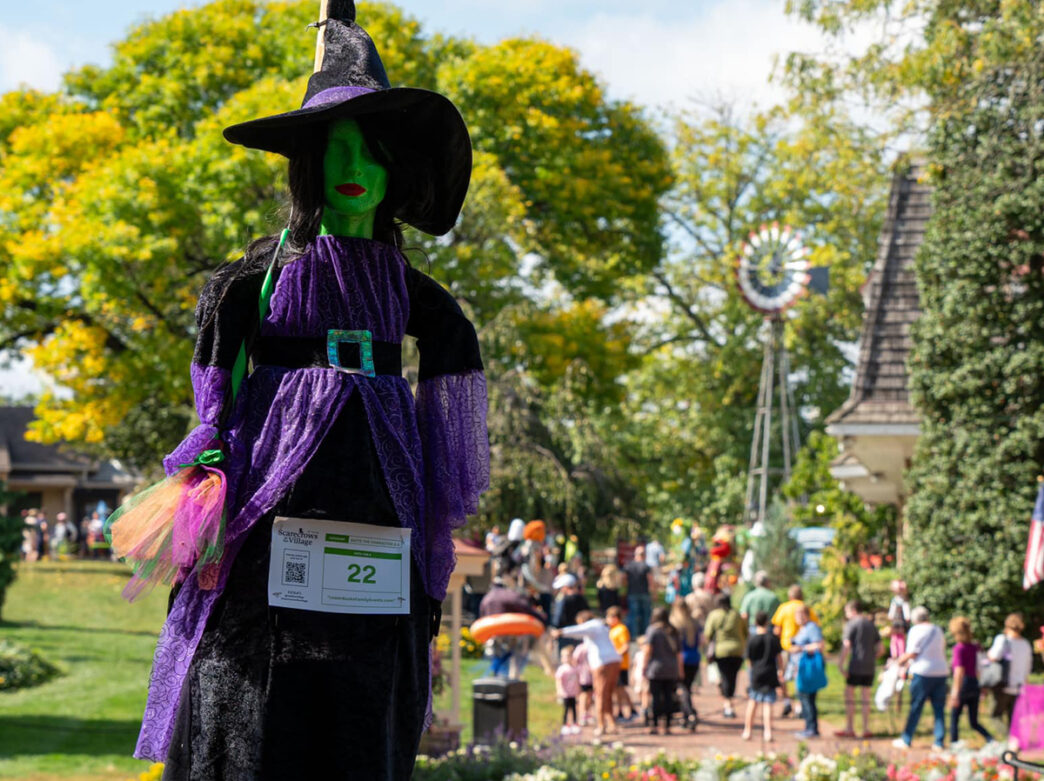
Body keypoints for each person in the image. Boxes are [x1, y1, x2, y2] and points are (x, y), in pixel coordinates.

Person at [114, 6, 489, 777]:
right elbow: (218, 368)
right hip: (270, 490)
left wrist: (441, 480)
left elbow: (454, 350)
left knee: (366, 671)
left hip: (380, 498)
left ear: (395, 173)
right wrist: (210, 454)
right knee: (246, 665)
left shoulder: (417, 295)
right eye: (336, 149)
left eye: (370, 151)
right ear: (309, 166)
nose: (352, 165)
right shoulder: (258, 280)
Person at [554, 611, 623, 737]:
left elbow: (578, 630)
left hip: (602, 662)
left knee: (600, 694)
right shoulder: (601, 627)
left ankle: (601, 725)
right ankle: (611, 723)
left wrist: (561, 631)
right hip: (614, 659)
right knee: (607, 693)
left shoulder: (593, 625)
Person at [893, 606, 949, 751]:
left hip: (922, 673)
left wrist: (898, 662)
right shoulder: (938, 630)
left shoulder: (915, 630)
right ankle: (939, 741)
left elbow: (912, 652)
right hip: (941, 671)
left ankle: (907, 738)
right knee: (939, 709)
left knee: (916, 706)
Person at [772, 584, 819, 717]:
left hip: (786, 647)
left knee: (782, 675)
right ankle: (799, 705)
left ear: (790, 596)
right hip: (802, 649)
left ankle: (787, 701)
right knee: (799, 677)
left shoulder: (784, 608)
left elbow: (777, 629)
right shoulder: (806, 608)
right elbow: (815, 625)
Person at [836, 599, 881, 738]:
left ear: (853, 610)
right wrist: (872, 658)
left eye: (847, 612)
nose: (847, 615)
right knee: (865, 697)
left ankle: (850, 728)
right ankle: (866, 728)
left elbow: (847, 645)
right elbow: (881, 648)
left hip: (855, 665)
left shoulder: (851, 624)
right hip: (869, 666)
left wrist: (841, 664)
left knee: (850, 697)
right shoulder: (871, 624)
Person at [948, 615, 994, 747]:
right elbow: (979, 668)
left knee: (954, 717)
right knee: (973, 721)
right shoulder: (975, 647)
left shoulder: (959, 648)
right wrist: (982, 686)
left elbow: (959, 672)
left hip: (964, 683)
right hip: (974, 683)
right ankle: (990, 739)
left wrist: (955, 693)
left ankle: (954, 744)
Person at [703, 592, 747, 718]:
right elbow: (745, 632)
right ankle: (728, 701)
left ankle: (728, 705)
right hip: (737, 650)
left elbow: (707, 634)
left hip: (721, 651)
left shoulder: (714, 615)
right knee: (731, 678)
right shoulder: (737, 615)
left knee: (725, 677)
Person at [987, 612, 1033, 727]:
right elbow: (1028, 668)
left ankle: (1007, 740)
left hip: (1003, 685)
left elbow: (993, 656)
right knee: (1013, 719)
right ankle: (1014, 741)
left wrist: (987, 653)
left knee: (995, 716)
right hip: (1018, 686)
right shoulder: (1025, 644)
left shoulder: (1003, 640)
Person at [743, 610, 783, 741]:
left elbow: (748, 660)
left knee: (753, 702)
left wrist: (751, 671)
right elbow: (779, 657)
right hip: (770, 672)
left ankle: (748, 730)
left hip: (756, 672)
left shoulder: (752, 639)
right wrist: (781, 671)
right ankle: (768, 732)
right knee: (768, 703)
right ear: (767, 622)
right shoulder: (773, 639)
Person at [644, 606, 682, 735]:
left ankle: (654, 724)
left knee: (655, 698)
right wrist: (680, 670)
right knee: (668, 697)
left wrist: (643, 667)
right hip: (671, 668)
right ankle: (667, 725)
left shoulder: (652, 631)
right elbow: (678, 653)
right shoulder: (673, 630)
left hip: (656, 669)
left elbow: (648, 650)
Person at [790, 605, 825, 739]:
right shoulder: (802, 629)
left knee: (808, 697)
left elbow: (819, 645)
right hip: (800, 668)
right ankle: (808, 727)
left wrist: (801, 648)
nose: (797, 618)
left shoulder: (812, 628)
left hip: (808, 668)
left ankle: (812, 728)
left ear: (806, 615)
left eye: (799, 615)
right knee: (803, 697)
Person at [670, 598, 701, 727]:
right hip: (694, 658)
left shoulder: (675, 624)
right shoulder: (694, 623)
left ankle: (689, 714)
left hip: (681, 659)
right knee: (686, 687)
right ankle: (685, 715)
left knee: (683, 689)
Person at [606, 606, 635, 721]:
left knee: (621, 689)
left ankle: (632, 710)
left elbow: (625, 646)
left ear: (615, 617)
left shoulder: (621, 629)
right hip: (614, 664)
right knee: (616, 690)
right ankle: (620, 712)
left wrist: (615, 656)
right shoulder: (612, 629)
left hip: (620, 664)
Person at [550, 574, 590, 654]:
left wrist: (554, 630)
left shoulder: (563, 600)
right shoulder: (582, 599)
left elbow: (558, 619)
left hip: (565, 634)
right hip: (580, 634)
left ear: (565, 587)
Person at [624, 545, 655, 638]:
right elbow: (650, 580)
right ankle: (645, 635)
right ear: (644, 555)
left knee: (633, 615)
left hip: (632, 593)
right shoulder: (646, 566)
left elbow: (624, 580)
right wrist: (654, 592)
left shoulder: (628, 566)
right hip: (644, 593)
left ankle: (633, 635)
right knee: (646, 615)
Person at [555, 646, 581, 736]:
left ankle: (574, 723)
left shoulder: (575, 669)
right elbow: (558, 681)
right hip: (565, 693)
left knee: (574, 709)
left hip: (573, 693)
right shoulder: (562, 669)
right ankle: (565, 724)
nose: (566, 658)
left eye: (568, 656)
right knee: (566, 709)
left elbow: (577, 680)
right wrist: (559, 690)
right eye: (564, 656)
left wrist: (579, 690)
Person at [574, 642, 595, 726]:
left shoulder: (594, 645)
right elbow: (575, 660)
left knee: (590, 695)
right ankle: (582, 714)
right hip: (584, 675)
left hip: (593, 675)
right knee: (583, 695)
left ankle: (587, 713)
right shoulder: (581, 647)